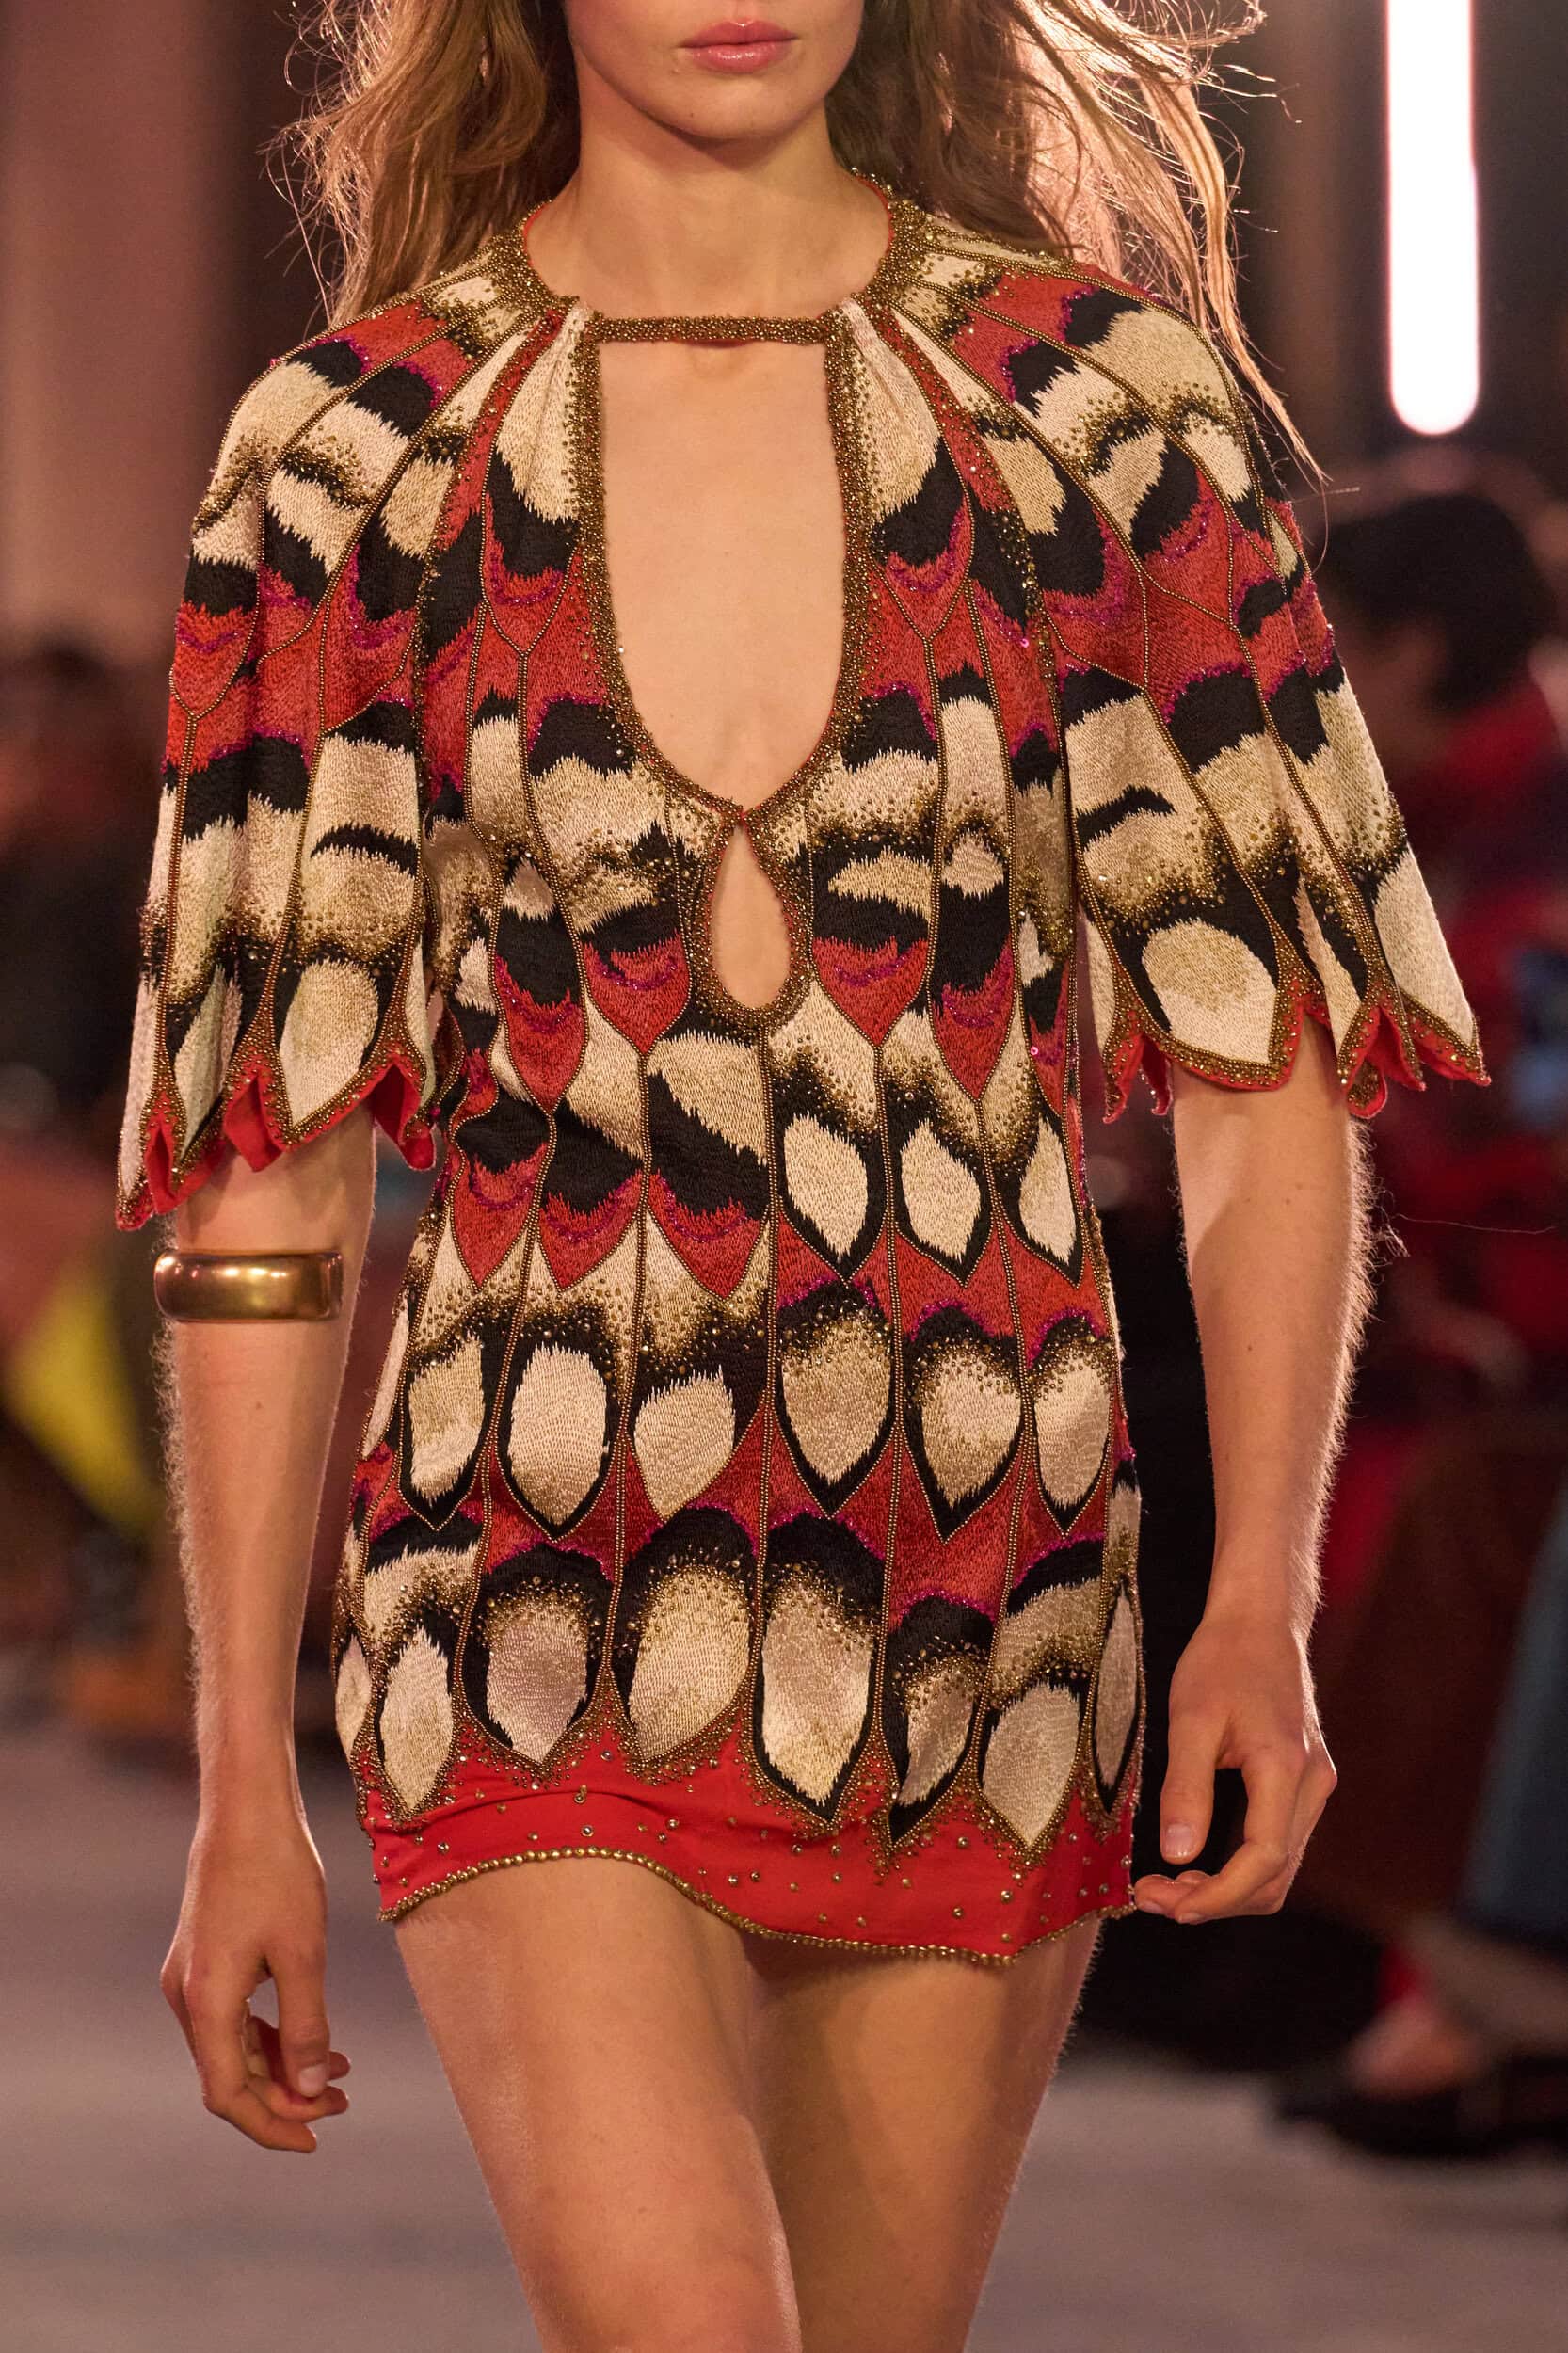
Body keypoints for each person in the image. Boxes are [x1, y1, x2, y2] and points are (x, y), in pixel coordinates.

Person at [114, 7, 1481, 2346]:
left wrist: (1254, 1595)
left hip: (995, 1579)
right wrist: (243, 1754)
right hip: (524, 1566)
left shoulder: (1105, 423)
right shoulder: (353, 459)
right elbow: (271, 1169)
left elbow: (1262, 1075)